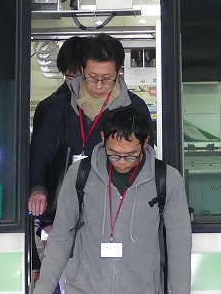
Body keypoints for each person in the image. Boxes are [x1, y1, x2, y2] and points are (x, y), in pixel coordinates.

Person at [19, 107, 192, 294]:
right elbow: (61, 236)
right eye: (114, 154)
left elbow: (179, 246)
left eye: (130, 155)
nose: (122, 162)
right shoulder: (81, 174)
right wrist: (44, 289)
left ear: (145, 143)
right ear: (102, 139)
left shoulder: (167, 179)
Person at [28, 33, 152, 222]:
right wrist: (37, 187)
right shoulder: (60, 106)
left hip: (116, 208)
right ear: (82, 69)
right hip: (64, 204)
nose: (99, 85)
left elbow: (146, 157)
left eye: (107, 78)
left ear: (119, 71)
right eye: (92, 77)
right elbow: (40, 150)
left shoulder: (134, 107)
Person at [32, 36, 86, 139]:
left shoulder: (105, 104)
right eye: (70, 77)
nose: (76, 83)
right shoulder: (48, 107)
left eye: (82, 77)